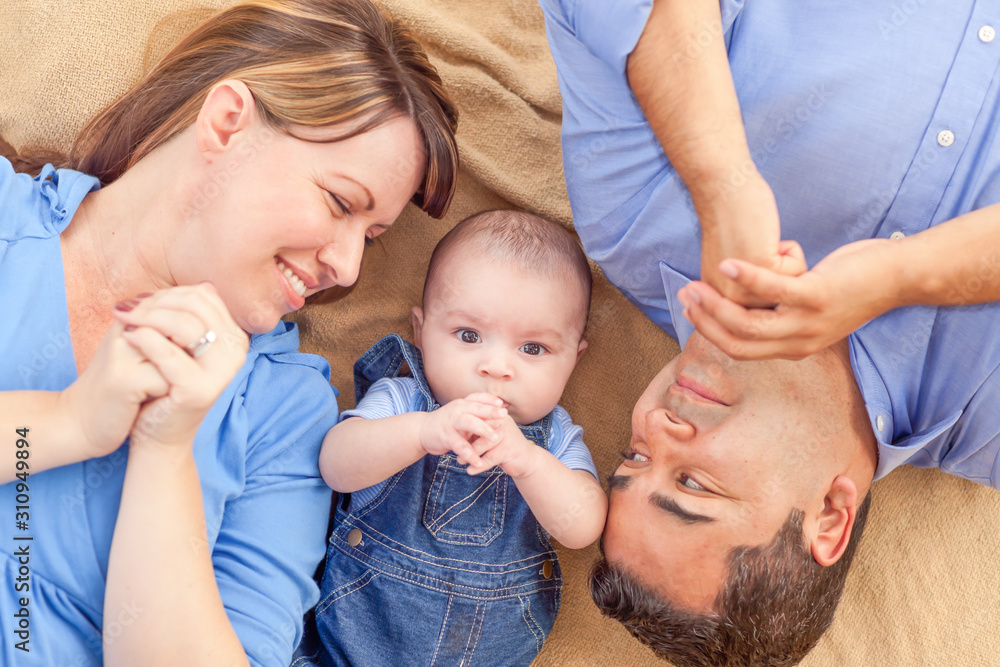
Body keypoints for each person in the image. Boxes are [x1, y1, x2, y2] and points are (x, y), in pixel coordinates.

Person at [538, 0, 1000, 664]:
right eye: (692, 483)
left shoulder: (636, 222)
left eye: (632, 461)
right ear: (832, 515)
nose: (655, 430)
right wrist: (910, 275)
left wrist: (720, 179)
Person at [0, 1, 458, 665]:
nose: (348, 264)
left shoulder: (287, 412)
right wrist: (70, 422)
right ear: (227, 123)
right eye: (339, 203)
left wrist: (164, 449)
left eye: (372, 235)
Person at [294, 210, 607, 666]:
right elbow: (336, 466)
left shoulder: (554, 438)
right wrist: (422, 433)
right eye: (468, 335)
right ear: (421, 333)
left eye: (533, 348)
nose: (497, 367)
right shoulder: (405, 399)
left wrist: (527, 462)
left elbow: (582, 528)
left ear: (573, 361)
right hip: (353, 641)